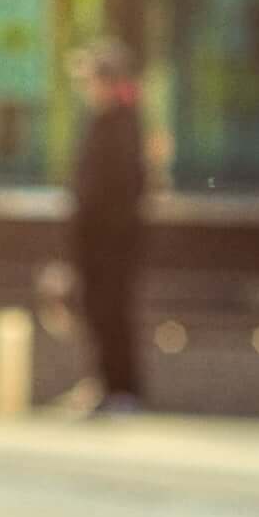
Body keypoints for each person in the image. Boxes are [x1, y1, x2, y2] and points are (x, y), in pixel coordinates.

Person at [65, 41, 147, 414]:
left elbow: (120, 187)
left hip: (111, 237)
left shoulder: (122, 124)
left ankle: (120, 386)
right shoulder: (103, 122)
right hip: (96, 235)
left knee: (111, 309)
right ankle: (105, 382)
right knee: (97, 309)